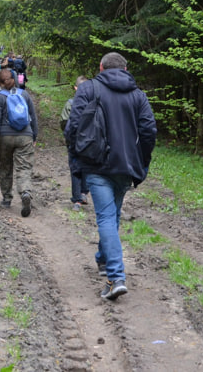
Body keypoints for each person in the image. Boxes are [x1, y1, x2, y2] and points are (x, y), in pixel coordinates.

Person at [64, 52, 157, 301]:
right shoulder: (138, 95)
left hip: (97, 165)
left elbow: (72, 128)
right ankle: (103, 260)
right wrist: (141, 161)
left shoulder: (88, 89)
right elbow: (149, 131)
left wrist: (76, 159)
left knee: (106, 218)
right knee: (111, 216)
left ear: (101, 66)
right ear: (126, 69)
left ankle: (116, 277)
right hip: (126, 166)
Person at [0, 69, 38, 217]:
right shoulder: (24, 94)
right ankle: (25, 192)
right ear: (14, 80)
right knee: (24, 167)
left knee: (6, 167)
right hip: (25, 135)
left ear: (0, 83)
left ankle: (7, 198)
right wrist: (34, 135)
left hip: (5, 137)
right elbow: (32, 116)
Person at [60, 75, 90, 211]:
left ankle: (77, 199)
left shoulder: (71, 103)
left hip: (74, 141)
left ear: (75, 88)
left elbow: (64, 121)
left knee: (75, 167)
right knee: (87, 166)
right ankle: (84, 193)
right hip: (90, 142)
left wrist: (68, 137)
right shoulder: (94, 103)